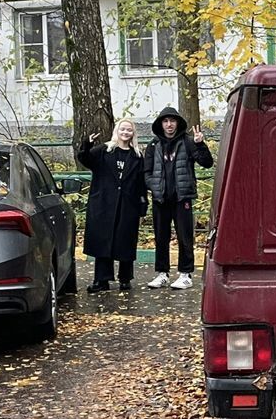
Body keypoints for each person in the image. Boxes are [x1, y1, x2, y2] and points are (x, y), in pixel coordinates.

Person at [143, 105, 213, 289]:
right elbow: (146, 172)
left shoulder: (188, 142)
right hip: (160, 199)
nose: (169, 125)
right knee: (161, 237)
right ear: (160, 124)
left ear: (177, 123)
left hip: (182, 198)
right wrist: (154, 186)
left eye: (172, 121)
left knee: (185, 236)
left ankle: (185, 274)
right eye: (165, 121)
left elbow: (206, 163)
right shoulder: (153, 145)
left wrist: (200, 144)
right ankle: (162, 273)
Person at [77, 118, 148, 292]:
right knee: (103, 241)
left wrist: (142, 203)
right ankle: (102, 280)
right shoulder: (104, 150)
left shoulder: (137, 156)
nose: (125, 133)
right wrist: (87, 143)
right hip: (104, 203)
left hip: (128, 204)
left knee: (125, 241)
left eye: (129, 130)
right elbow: (85, 159)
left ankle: (125, 278)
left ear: (133, 134)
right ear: (117, 130)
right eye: (123, 129)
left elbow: (141, 182)